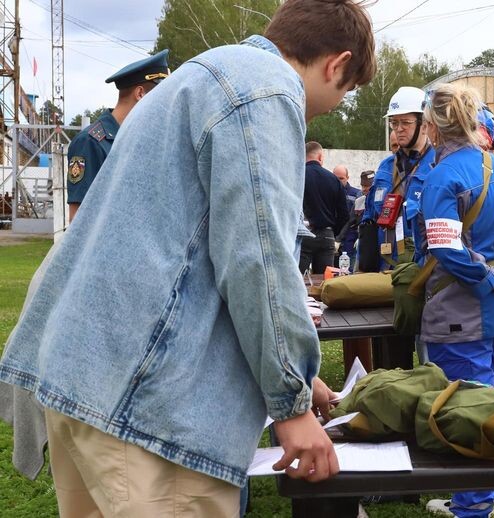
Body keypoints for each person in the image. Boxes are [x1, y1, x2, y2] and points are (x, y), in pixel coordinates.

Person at [0, 2, 376, 516]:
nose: (333, 107)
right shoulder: (265, 92)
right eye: (345, 92)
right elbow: (258, 259)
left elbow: (182, 246)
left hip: (82, 375)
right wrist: (290, 404)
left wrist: (301, 376)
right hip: (146, 406)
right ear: (337, 64)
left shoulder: (197, 78)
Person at [417, 83, 494, 518]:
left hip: (462, 312)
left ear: (432, 128)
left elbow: (446, 248)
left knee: (468, 410)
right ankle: (482, 493)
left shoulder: (441, 177)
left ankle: (473, 507)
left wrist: (493, 280)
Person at [66, 50, 169, 221]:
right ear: (140, 94)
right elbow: (77, 218)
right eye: (160, 97)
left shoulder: (137, 139)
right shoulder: (90, 142)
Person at [361, 86, 435, 269]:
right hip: (384, 270)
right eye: (394, 123)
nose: (398, 129)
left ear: (424, 124)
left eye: (405, 122)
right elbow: (369, 217)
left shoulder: (438, 166)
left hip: (420, 273)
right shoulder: (386, 167)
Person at [301, 141, 348, 274]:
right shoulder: (333, 179)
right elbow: (344, 214)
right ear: (320, 157)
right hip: (326, 236)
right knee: (324, 282)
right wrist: (333, 231)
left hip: (303, 233)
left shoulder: (298, 176)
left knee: (298, 280)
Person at [333, 164, 362, 269]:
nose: (339, 181)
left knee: (348, 270)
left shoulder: (356, 194)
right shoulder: (329, 192)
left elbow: (354, 218)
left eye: (341, 178)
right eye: (336, 178)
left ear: (347, 178)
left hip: (349, 238)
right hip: (333, 237)